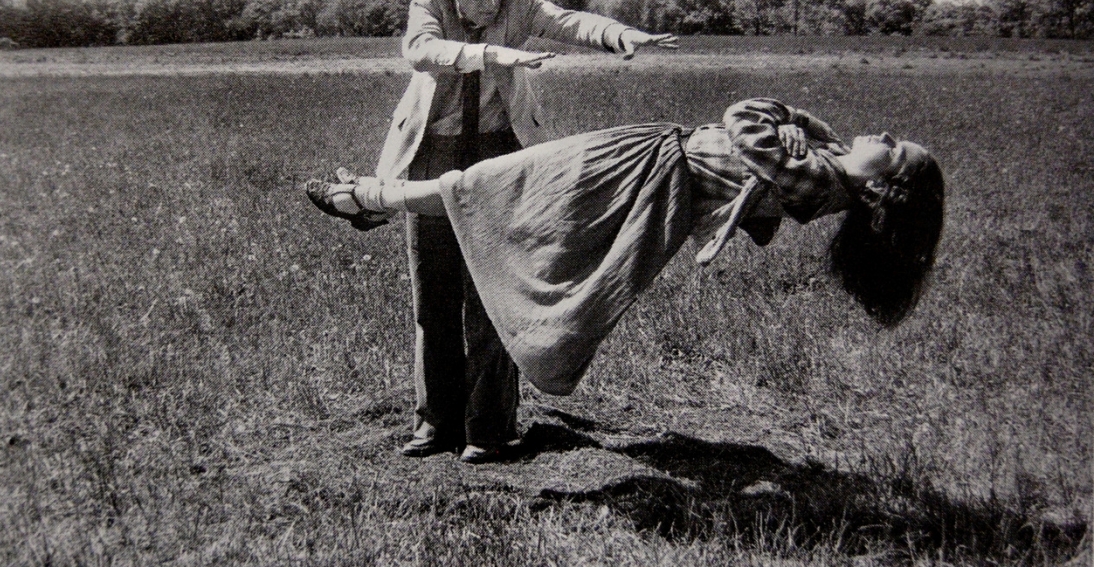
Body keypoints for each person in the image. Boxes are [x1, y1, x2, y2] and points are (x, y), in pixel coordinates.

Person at [308, 97, 945, 441]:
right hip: (642, 160)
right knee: (493, 184)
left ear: (882, 190)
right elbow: (770, 125)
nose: (881, 135)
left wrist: (787, 124)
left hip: (638, 173)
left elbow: (744, 118)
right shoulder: (824, 166)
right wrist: (799, 127)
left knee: (492, 184)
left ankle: (366, 197)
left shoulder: (818, 183)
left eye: (892, 150)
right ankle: (372, 198)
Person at [368, 0, 678, 463]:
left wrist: (618, 34)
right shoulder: (429, 5)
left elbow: (567, 21)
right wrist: (489, 55)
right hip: (433, 153)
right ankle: (435, 423)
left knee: (493, 297)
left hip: (500, 156)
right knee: (434, 298)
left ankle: (489, 430)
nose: (492, 0)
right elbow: (420, 51)